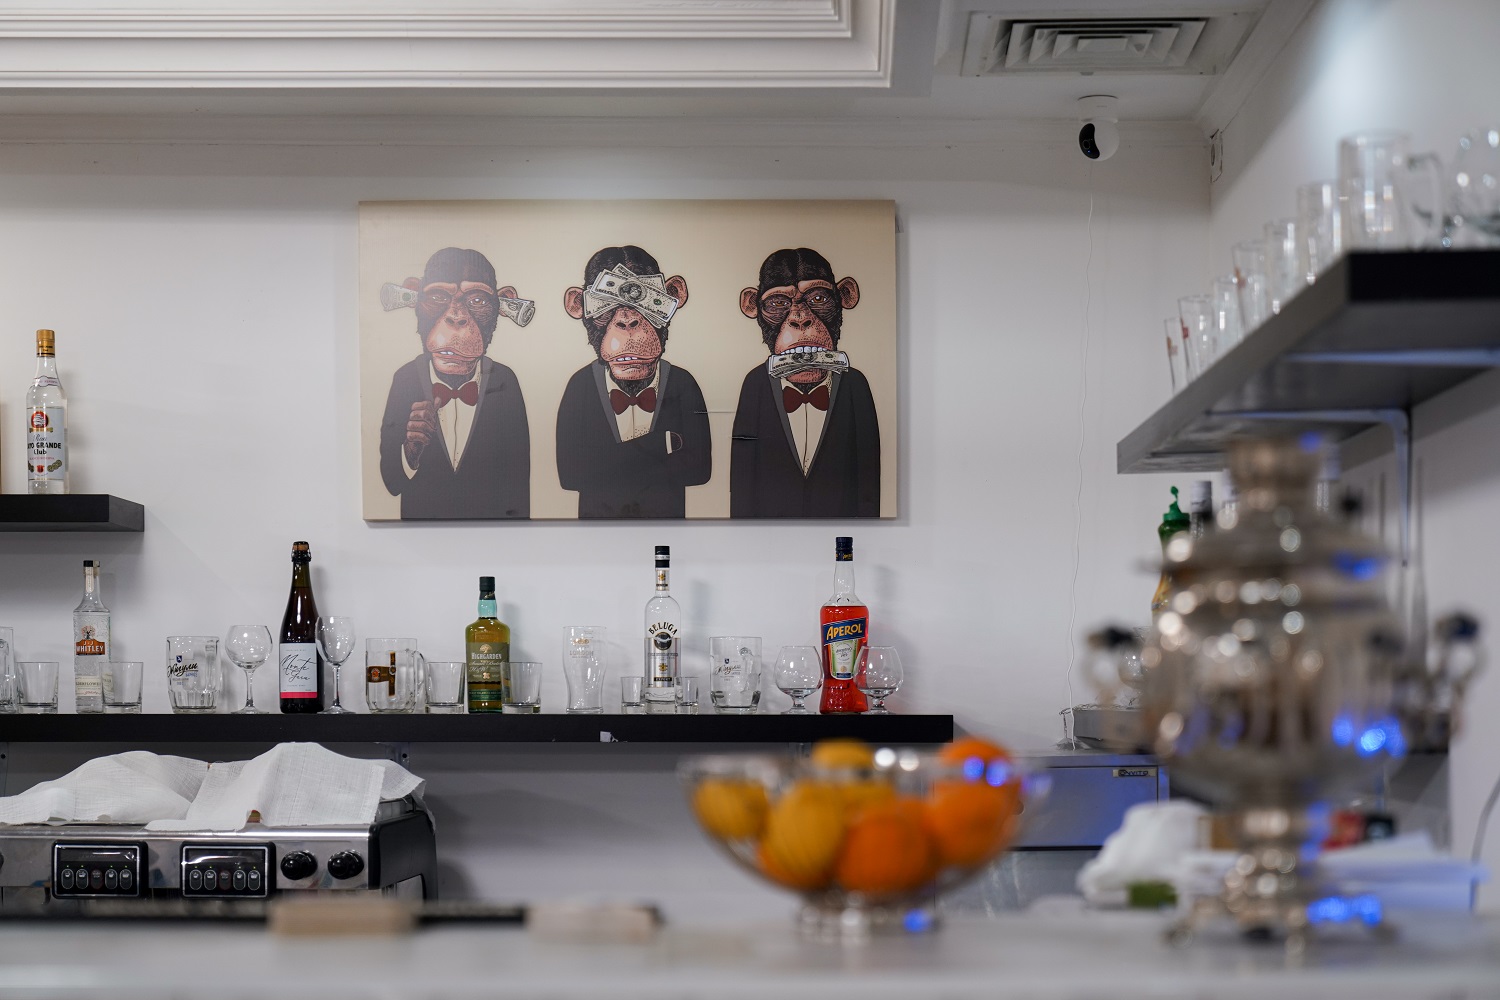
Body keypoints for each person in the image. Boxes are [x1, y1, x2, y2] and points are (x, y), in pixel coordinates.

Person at [555, 245, 711, 518]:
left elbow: (699, 471)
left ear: (672, 297)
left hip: (666, 527)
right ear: (579, 305)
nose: (626, 320)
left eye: (643, 300)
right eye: (606, 305)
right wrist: (661, 444)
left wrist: (607, 460)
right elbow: (570, 476)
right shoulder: (580, 385)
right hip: (597, 529)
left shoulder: (682, 383)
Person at [379, 247, 530, 519]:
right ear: (414, 297)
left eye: (478, 300)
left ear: (502, 304)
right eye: (438, 297)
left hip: (491, 529)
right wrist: (410, 451)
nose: (456, 316)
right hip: (420, 531)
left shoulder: (504, 380)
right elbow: (391, 482)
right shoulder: (406, 378)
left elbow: (518, 483)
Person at [730, 247, 880, 518]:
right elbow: (742, 478)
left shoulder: (855, 384)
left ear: (845, 296)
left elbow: (868, 476)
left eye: (819, 298)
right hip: (771, 530)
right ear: (752, 306)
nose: (800, 318)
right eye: (778, 303)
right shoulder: (756, 383)